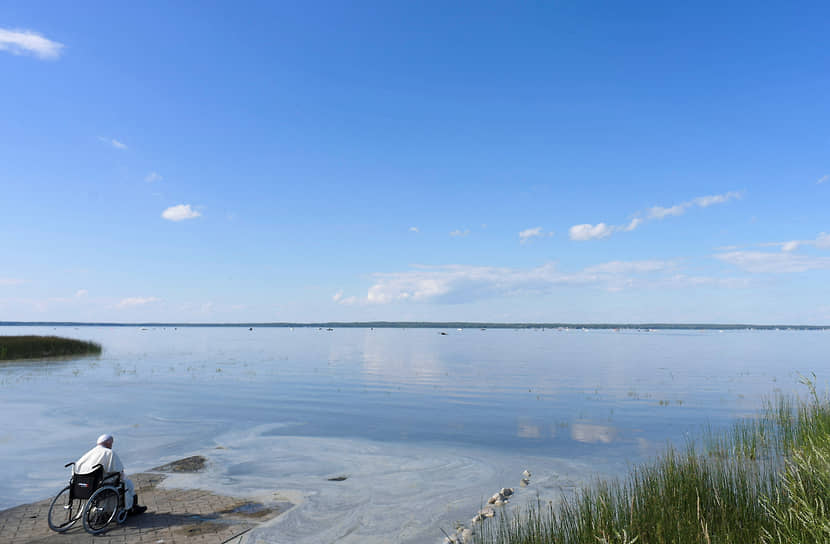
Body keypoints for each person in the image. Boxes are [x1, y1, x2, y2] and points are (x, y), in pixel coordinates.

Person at [75, 434, 147, 516]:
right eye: (111, 443)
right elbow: (119, 470)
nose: (112, 445)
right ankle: (131, 507)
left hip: (87, 483)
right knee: (127, 483)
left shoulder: (88, 453)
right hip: (102, 482)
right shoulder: (109, 453)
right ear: (108, 442)